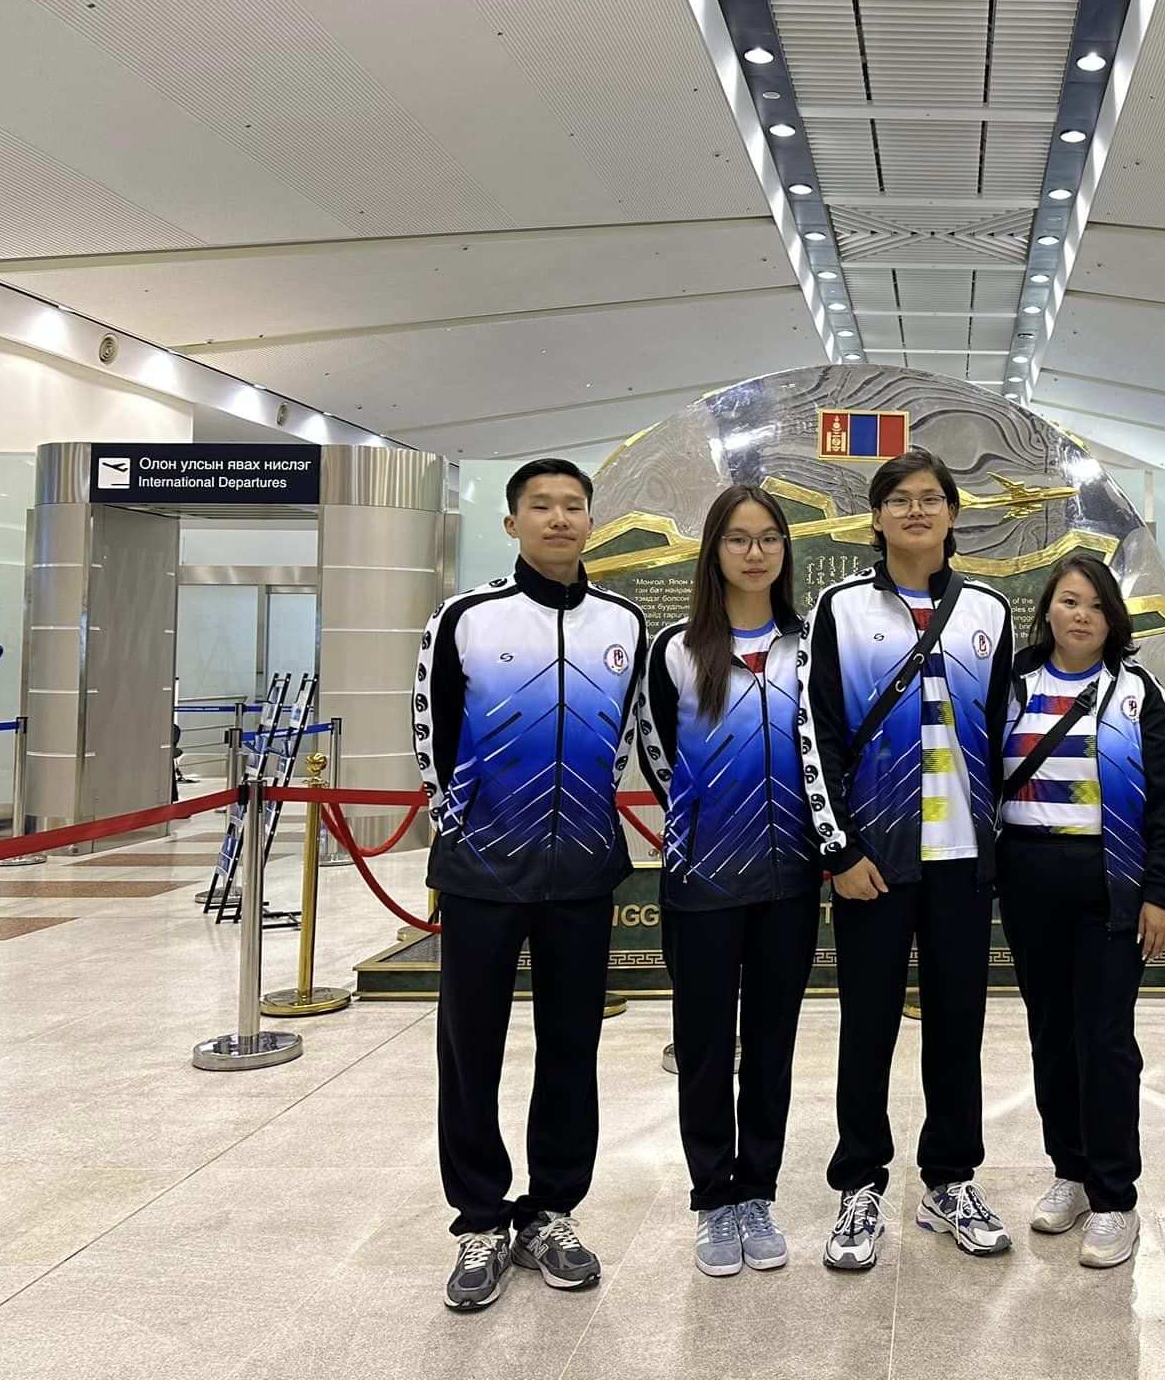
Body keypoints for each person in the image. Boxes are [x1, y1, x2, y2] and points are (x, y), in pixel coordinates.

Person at [413, 458, 649, 1312]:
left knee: (571, 1047)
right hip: (482, 869)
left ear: (591, 521)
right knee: (469, 1047)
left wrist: (588, 819)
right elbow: (431, 730)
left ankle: (551, 1211)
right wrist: (463, 826)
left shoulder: (623, 622)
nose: (559, 518)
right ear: (512, 523)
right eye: (541, 506)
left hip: (582, 870)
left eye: (572, 506)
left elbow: (628, 737)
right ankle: (479, 1218)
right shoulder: (466, 617)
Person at [798, 448, 1015, 1270]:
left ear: (953, 514)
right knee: (868, 1024)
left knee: (958, 1026)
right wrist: (840, 849)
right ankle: (859, 1182)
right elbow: (816, 730)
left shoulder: (988, 610)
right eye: (899, 499)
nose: (916, 511)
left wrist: (998, 847)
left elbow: (1002, 734)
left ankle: (950, 1178)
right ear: (876, 517)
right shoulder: (841, 608)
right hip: (875, 859)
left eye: (930, 498)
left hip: (961, 854)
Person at [639, 486, 819, 1278]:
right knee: (706, 1044)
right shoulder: (677, 649)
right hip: (702, 878)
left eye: (769, 537)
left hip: (790, 880)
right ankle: (714, 1196)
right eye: (739, 538)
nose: (755, 552)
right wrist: (705, 824)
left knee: (773, 1044)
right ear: (714, 550)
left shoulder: (809, 648)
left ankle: (757, 1192)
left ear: (785, 550)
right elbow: (657, 755)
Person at [998, 553, 1165, 1270]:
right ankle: (1070, 1173)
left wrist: (1160, 894)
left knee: (1104, 1039)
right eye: (1070, 601)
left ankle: (1115, 1198)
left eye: (1097, 606)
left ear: (1114, 621)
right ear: (1047, 608)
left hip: (1110, 883)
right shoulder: (1011, 685)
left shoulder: (1137, 693)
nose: (1081, 616)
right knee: (1050, 1033)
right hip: (1028, 879)